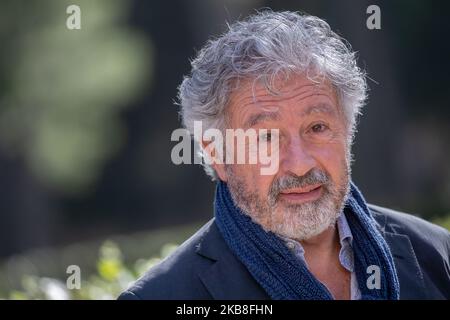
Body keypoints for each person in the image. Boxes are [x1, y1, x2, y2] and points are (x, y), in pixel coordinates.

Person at [119, 10, 450, 300]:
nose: (300, 162)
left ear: (347, 131)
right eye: (265, 138)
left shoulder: (437, 255)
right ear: (217, 155)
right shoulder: (164, 295)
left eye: (317, 127)